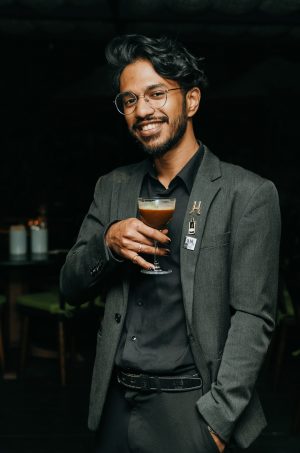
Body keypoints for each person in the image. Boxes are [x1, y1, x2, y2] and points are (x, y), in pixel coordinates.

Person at [60, 34, 281, 452]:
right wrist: (106, 244)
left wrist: (217, 422)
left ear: (192, 101)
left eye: (156, 94)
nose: (142, 110)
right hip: (116, 406)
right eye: (129, 100)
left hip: (192, 408)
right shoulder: (112, 187)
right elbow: (70, 287)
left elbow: (254, 317)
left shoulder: (247, 194)